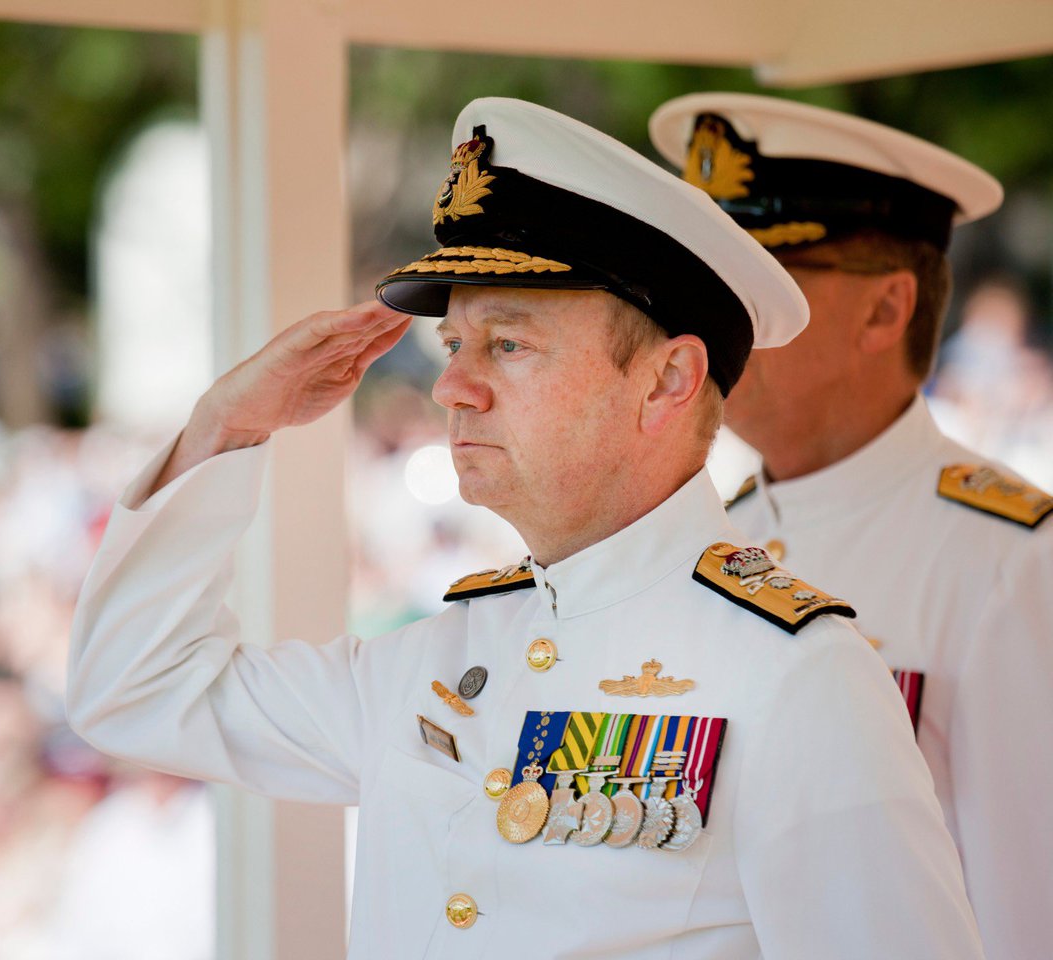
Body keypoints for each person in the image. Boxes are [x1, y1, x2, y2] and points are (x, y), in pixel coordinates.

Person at [68, 97, 983, 959]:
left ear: (665, 381)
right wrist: (226, 426)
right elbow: (136, 690)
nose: (452, 387)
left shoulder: (799, 675)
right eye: (455, 345)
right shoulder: (438, 658)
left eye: (509, 344)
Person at [652, 92, 1053, 959]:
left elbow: (1031, 905)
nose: (718, 323)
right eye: (714, 286)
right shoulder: (706, 539)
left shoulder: (1010, 564)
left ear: (885, 311)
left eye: (763, 288)